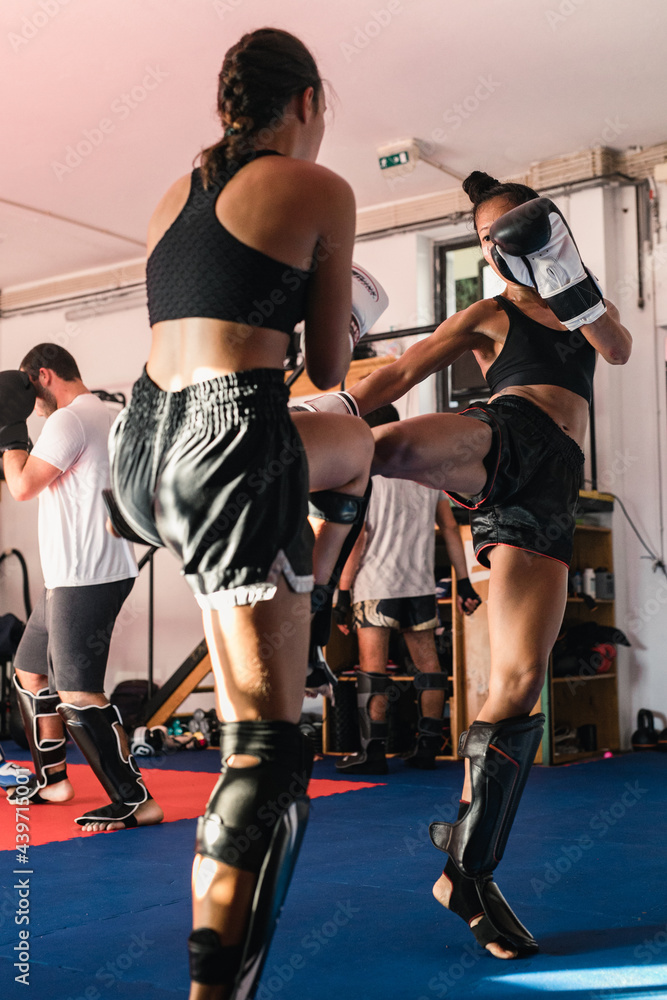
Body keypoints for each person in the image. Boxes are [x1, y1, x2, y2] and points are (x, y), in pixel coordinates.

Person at [106, 28, 386, 1000]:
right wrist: (349, 313)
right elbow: (328, 369)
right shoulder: (320, 188)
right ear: (306, 100)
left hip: (143, 452)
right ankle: (210, 991)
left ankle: (317, 589)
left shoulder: (169, 198)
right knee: (266, 753)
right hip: (230, 444)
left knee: (357, 448)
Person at [322, 172, 632, 959]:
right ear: (487, 253)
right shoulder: (488, 313)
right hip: (503, 434)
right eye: (491, 237)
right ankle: (284, 463)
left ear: (546, 231)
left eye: (517, 230)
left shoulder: (577, 307)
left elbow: (617, 347)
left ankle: (467, 868)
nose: (504, 247)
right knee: (384, 446)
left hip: (549, 491)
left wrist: (566, 274)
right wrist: (342, 400)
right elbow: (404, 369)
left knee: (517, 683)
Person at [0, 345, 162, 833]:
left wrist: (9, 432)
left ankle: (135, 799)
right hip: (83, 573)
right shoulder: (112, 414)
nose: (32, 401)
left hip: (84, 575)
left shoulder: (67, 421)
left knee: (77, 690)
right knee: (29, 672)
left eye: (32, 390)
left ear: (42, 376)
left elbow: (22, 486)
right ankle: (53, 781)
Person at [333, 404, 481, 774]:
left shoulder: (368, 474)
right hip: (419, 586)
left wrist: (341, 592)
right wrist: (463, 580)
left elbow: (359, 537)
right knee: (429, 667)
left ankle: (373, 752)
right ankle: (427, 748)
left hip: (375, 586)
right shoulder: (427, 474)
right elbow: (449, 529)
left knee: (373, 670)